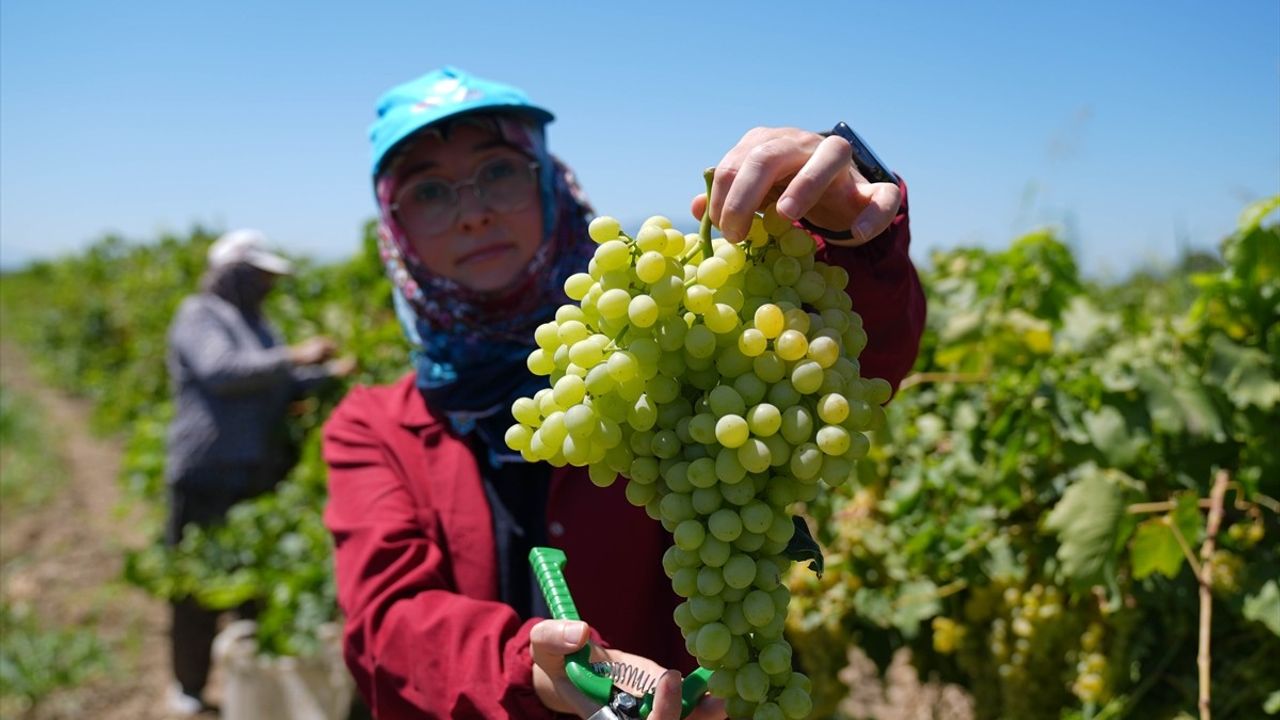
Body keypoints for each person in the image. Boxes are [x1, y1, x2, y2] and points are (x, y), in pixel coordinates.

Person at [322, 66, 925, 719]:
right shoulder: (372, 426)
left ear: (549, 182)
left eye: (499, 170)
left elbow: (849, 365)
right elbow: (387, 628)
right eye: (430, 192)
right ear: (395, 226)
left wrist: (847, 230)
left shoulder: (675, 356)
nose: (475, 211)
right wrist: (527, 672)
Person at [164, 228, 355, 715]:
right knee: (197, 584)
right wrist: (294, 355)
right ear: (234, 275)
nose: (268, 286)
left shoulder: (258, 322)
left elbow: (279, 382)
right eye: (260, 276)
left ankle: (244, 688)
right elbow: (221, 370)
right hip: (207, 469)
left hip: (256, 469)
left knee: (251, 582)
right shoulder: (200, 314)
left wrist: (325, 376)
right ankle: (188, 686)